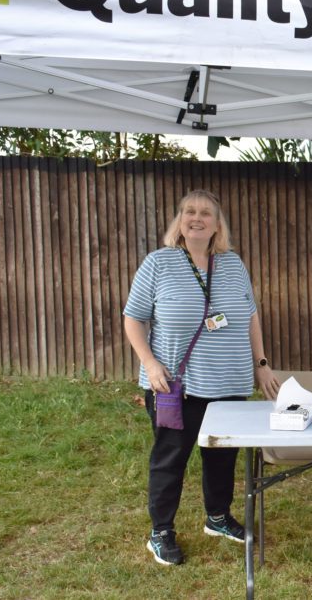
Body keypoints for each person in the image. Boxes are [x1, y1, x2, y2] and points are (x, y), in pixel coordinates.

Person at [124, 189, 280, 566]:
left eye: (206, 213)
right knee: (170, 457)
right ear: (179, 221)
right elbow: (133, 318)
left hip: (229, 381)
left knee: (222, 456)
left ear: (217, 224)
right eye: (189, 212)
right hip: (177, 386)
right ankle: (161, 531)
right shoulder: (158, 263)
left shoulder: (232, 264)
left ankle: (218, 518)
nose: (197, 218)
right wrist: (149, 363)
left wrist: (261, 363)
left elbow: (250, 316)